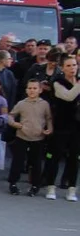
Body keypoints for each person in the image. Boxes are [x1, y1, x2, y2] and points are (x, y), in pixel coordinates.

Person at [7, 79, 53, 196]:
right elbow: (11, 116)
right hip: (22, 136)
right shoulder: (22, 103)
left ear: (40, 90)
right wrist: (14, 124)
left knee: (36, 162)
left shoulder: (44, 104)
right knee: (18, 161)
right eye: (30, 88)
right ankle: (13, 183)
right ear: (26, 90)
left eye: (35, 88)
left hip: (38, 137)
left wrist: (50, 128)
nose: (32, 90)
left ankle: (35, 185)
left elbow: (48, 118)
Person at [45, 56, 80, 200]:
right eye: (69, 66)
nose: (73, 68)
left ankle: (72, 189)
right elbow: (68, 96)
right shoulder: (57, 82)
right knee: (55, 156)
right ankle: (50, 187)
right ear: (63, 68)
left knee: (74, 157)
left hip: (77, 126)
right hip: (61, 124)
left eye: (74, 65)